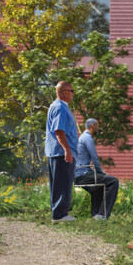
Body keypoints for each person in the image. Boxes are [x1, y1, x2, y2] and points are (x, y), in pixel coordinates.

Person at [46, 81, 79, 222]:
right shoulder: (60, 107)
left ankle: (58, 213)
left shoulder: (55, 106)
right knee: (63, 183)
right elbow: (59, 131)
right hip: (61, 153)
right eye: (72, 91)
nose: (73, 94)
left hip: (56, 152)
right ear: (65, 92)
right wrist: (68, 150)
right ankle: (60, 215)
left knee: (58, 183)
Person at [74, 118, 120, 220]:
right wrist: (101, 172)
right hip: (83, 174)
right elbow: (94, 158)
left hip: (79, 174)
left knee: (99, 187)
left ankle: (96, 215)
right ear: (93, 126)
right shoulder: (87, 138)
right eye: (98, 126)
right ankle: (102, 215)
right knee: (113, 181)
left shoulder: (83, 137)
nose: (98, 129)